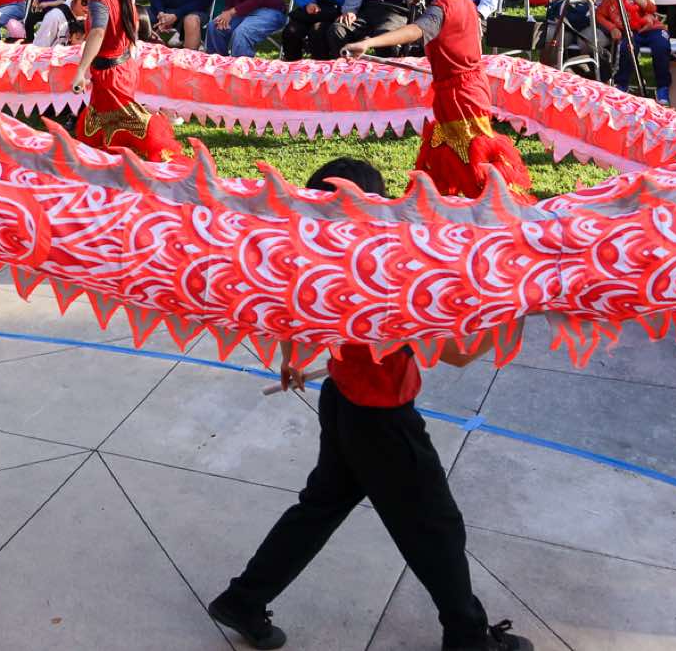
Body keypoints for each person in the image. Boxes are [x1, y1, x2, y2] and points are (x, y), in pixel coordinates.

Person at [208, 160, 534, 651]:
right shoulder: (381, 277)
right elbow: (459, 353)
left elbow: (287, 311)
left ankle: (243, 600)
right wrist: (519, 307)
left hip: (342, 402)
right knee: (436, 527)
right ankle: (467, 637)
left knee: (320, 508)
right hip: (382, 420)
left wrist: (291, 359)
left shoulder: (312, 259)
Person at [344, 0, 533, 198]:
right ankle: (436, 200)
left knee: (471, 156)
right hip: (466, 90)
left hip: (460, 97)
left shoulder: (441, 10)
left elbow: (415, 30)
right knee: (444, 147)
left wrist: (368, 43)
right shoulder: (466, 2)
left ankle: (493, 204)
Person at [67, 0, 182, 159]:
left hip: (111, 75)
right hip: (123, 69)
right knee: (105, 122)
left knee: (130, 121)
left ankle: (160, 150)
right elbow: (131, 29)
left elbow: (97, 33)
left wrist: (81, 70)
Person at [596, 0, 670, 103]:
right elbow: (600, 15)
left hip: (652, 29)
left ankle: (662, 87)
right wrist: (612, 28)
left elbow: (652, 8)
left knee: (661, 47)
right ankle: (622, 84)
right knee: (627, 48)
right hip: (630, 32)